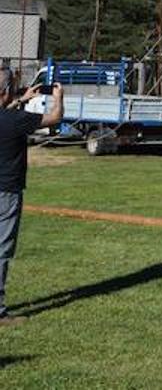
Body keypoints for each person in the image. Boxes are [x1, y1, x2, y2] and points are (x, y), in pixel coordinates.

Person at [0, 78, 65, 325]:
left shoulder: (12, 115)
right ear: (5, 92)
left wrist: (20, 100)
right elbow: (55, 118)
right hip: (7, 192)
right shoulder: (17, 120)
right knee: (2, 250)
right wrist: (58, 98)